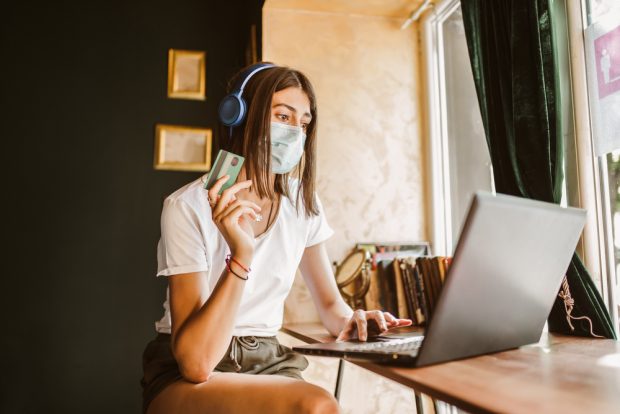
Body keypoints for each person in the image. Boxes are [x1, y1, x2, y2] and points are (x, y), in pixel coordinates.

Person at [140, 62, 412, 414]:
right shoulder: (186, 206)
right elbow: (196, 363)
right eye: (283, 117)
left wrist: (353, 320)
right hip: (183, 372)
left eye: (303, 123)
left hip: (270, 361)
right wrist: (241, 254)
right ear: (240, 116)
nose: (295, 132)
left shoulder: (303, 203)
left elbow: (330, 307)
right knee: (317, 405)